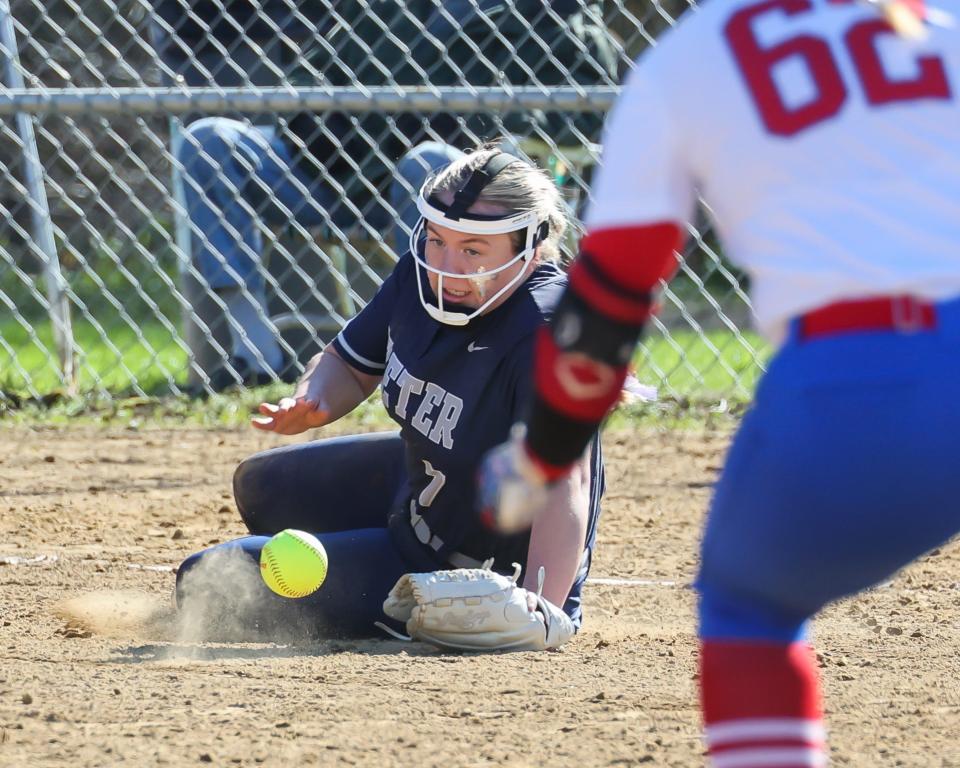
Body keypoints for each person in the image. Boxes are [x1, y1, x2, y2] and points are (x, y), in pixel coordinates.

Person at [479, 0, 959, 764]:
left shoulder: (692, 57)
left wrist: (539, 457)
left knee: (751, 609)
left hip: (868, 371)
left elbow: (605, 311)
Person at [175, 148, 605, 646]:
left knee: (206, 584)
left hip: (471, 567)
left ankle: (402, 582)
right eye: (438, 239)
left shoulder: (551, 334)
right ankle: (373, 547)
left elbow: (563, 483)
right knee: (263, 484)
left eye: (472, 250)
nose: (445, 265)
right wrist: (312, 398)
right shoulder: (420, 278)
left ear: (529, 247)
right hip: (425, 487)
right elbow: (348, 363)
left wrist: (541, 608)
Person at [175, 0, 618, 391]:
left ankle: (428, 349)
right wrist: (335, 125)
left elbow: (583, 104)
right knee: (209, 140)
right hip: (333, 172)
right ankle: (254, 351)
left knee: (428, 161)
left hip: (441, 193)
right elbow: (307, 77)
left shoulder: (543, 11)